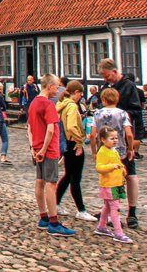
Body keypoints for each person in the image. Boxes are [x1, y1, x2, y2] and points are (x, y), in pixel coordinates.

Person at [27, 73, 75, 237]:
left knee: (40, 181)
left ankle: (43, 217)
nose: (58, 89)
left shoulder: (33, 103)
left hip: (38, 148)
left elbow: (29, 128)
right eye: (56, 86)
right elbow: (51, 129)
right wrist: (44, 149)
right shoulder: (48, 104)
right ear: (49, 86)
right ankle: (54, 222)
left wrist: (34, 148)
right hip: (49, 150)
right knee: (51, 184)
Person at [98, 58, 142, 228]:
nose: (105, 79)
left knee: (129, 174)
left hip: (124, 138)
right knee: (109, 175)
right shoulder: (108, 87)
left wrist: (117, 114)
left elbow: (136, 112)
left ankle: (132, 212)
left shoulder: (128, 87)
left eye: (107, 76)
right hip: (108, 142)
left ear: (115, 71)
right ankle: (110, 208)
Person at [55, 81, 93, 222]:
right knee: (75, 178)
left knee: (68, 176)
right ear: (76, 92)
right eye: (80, 94)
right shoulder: (71, 106)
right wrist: (80, 139)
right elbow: (71, 126)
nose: (80, 97)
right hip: (73, 143)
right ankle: (81, 210)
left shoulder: (62, 104)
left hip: (67, 143)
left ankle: (56, 203)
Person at [94, 126, 133, 244]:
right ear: (103, 140)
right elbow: (99, 167)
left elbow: (118, 162)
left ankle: (101, 226)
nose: (115, 140)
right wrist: (112, 167)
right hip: (109, 184)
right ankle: (118, 232)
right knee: (115, 208)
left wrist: (122, 169)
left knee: (107, 206)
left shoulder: (113, 150)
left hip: (116, 183)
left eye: (116, 138)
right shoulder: (102, 152)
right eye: (112, 138)